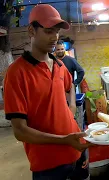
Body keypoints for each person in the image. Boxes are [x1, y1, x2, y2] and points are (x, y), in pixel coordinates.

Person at [3, 4, 92, 180]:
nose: (55, 37)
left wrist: (71, 109)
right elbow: (20, 131)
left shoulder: (59, 65)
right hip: (48, 164)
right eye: (48, 31)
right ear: (31, 30)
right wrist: (65, 139)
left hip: (76, 151)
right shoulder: (17, 73)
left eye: (57, 31)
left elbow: (70, 88)